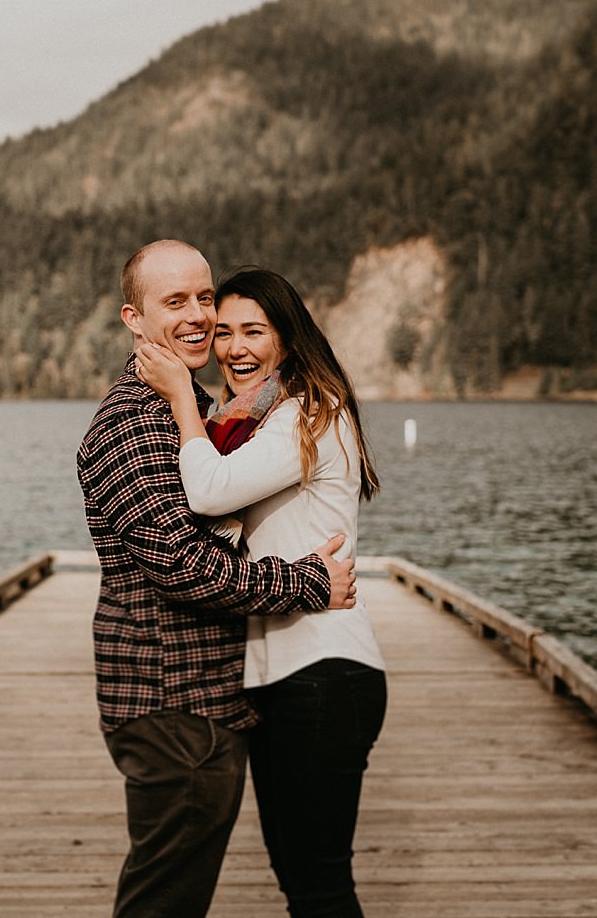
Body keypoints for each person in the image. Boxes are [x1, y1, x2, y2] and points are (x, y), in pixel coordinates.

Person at [76, 240, 359, 918]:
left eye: (205, 297)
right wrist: (309, 582)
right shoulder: (136, 422)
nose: (199, 314)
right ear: (133, 319)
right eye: (175, 301)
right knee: (162, 902)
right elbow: (184, 565)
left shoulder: (192, 410)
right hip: (175, 704)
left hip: (202, 701)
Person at [136, 266, 386, 918]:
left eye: (254, 331)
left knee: (319, 882)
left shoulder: (308, 413)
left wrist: (179, 398)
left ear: (288, 337)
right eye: (223, 332)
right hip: (283, 677)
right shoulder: (251, 420)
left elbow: (208, 490)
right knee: (303, 880)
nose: (235, 347)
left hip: (322, 671)